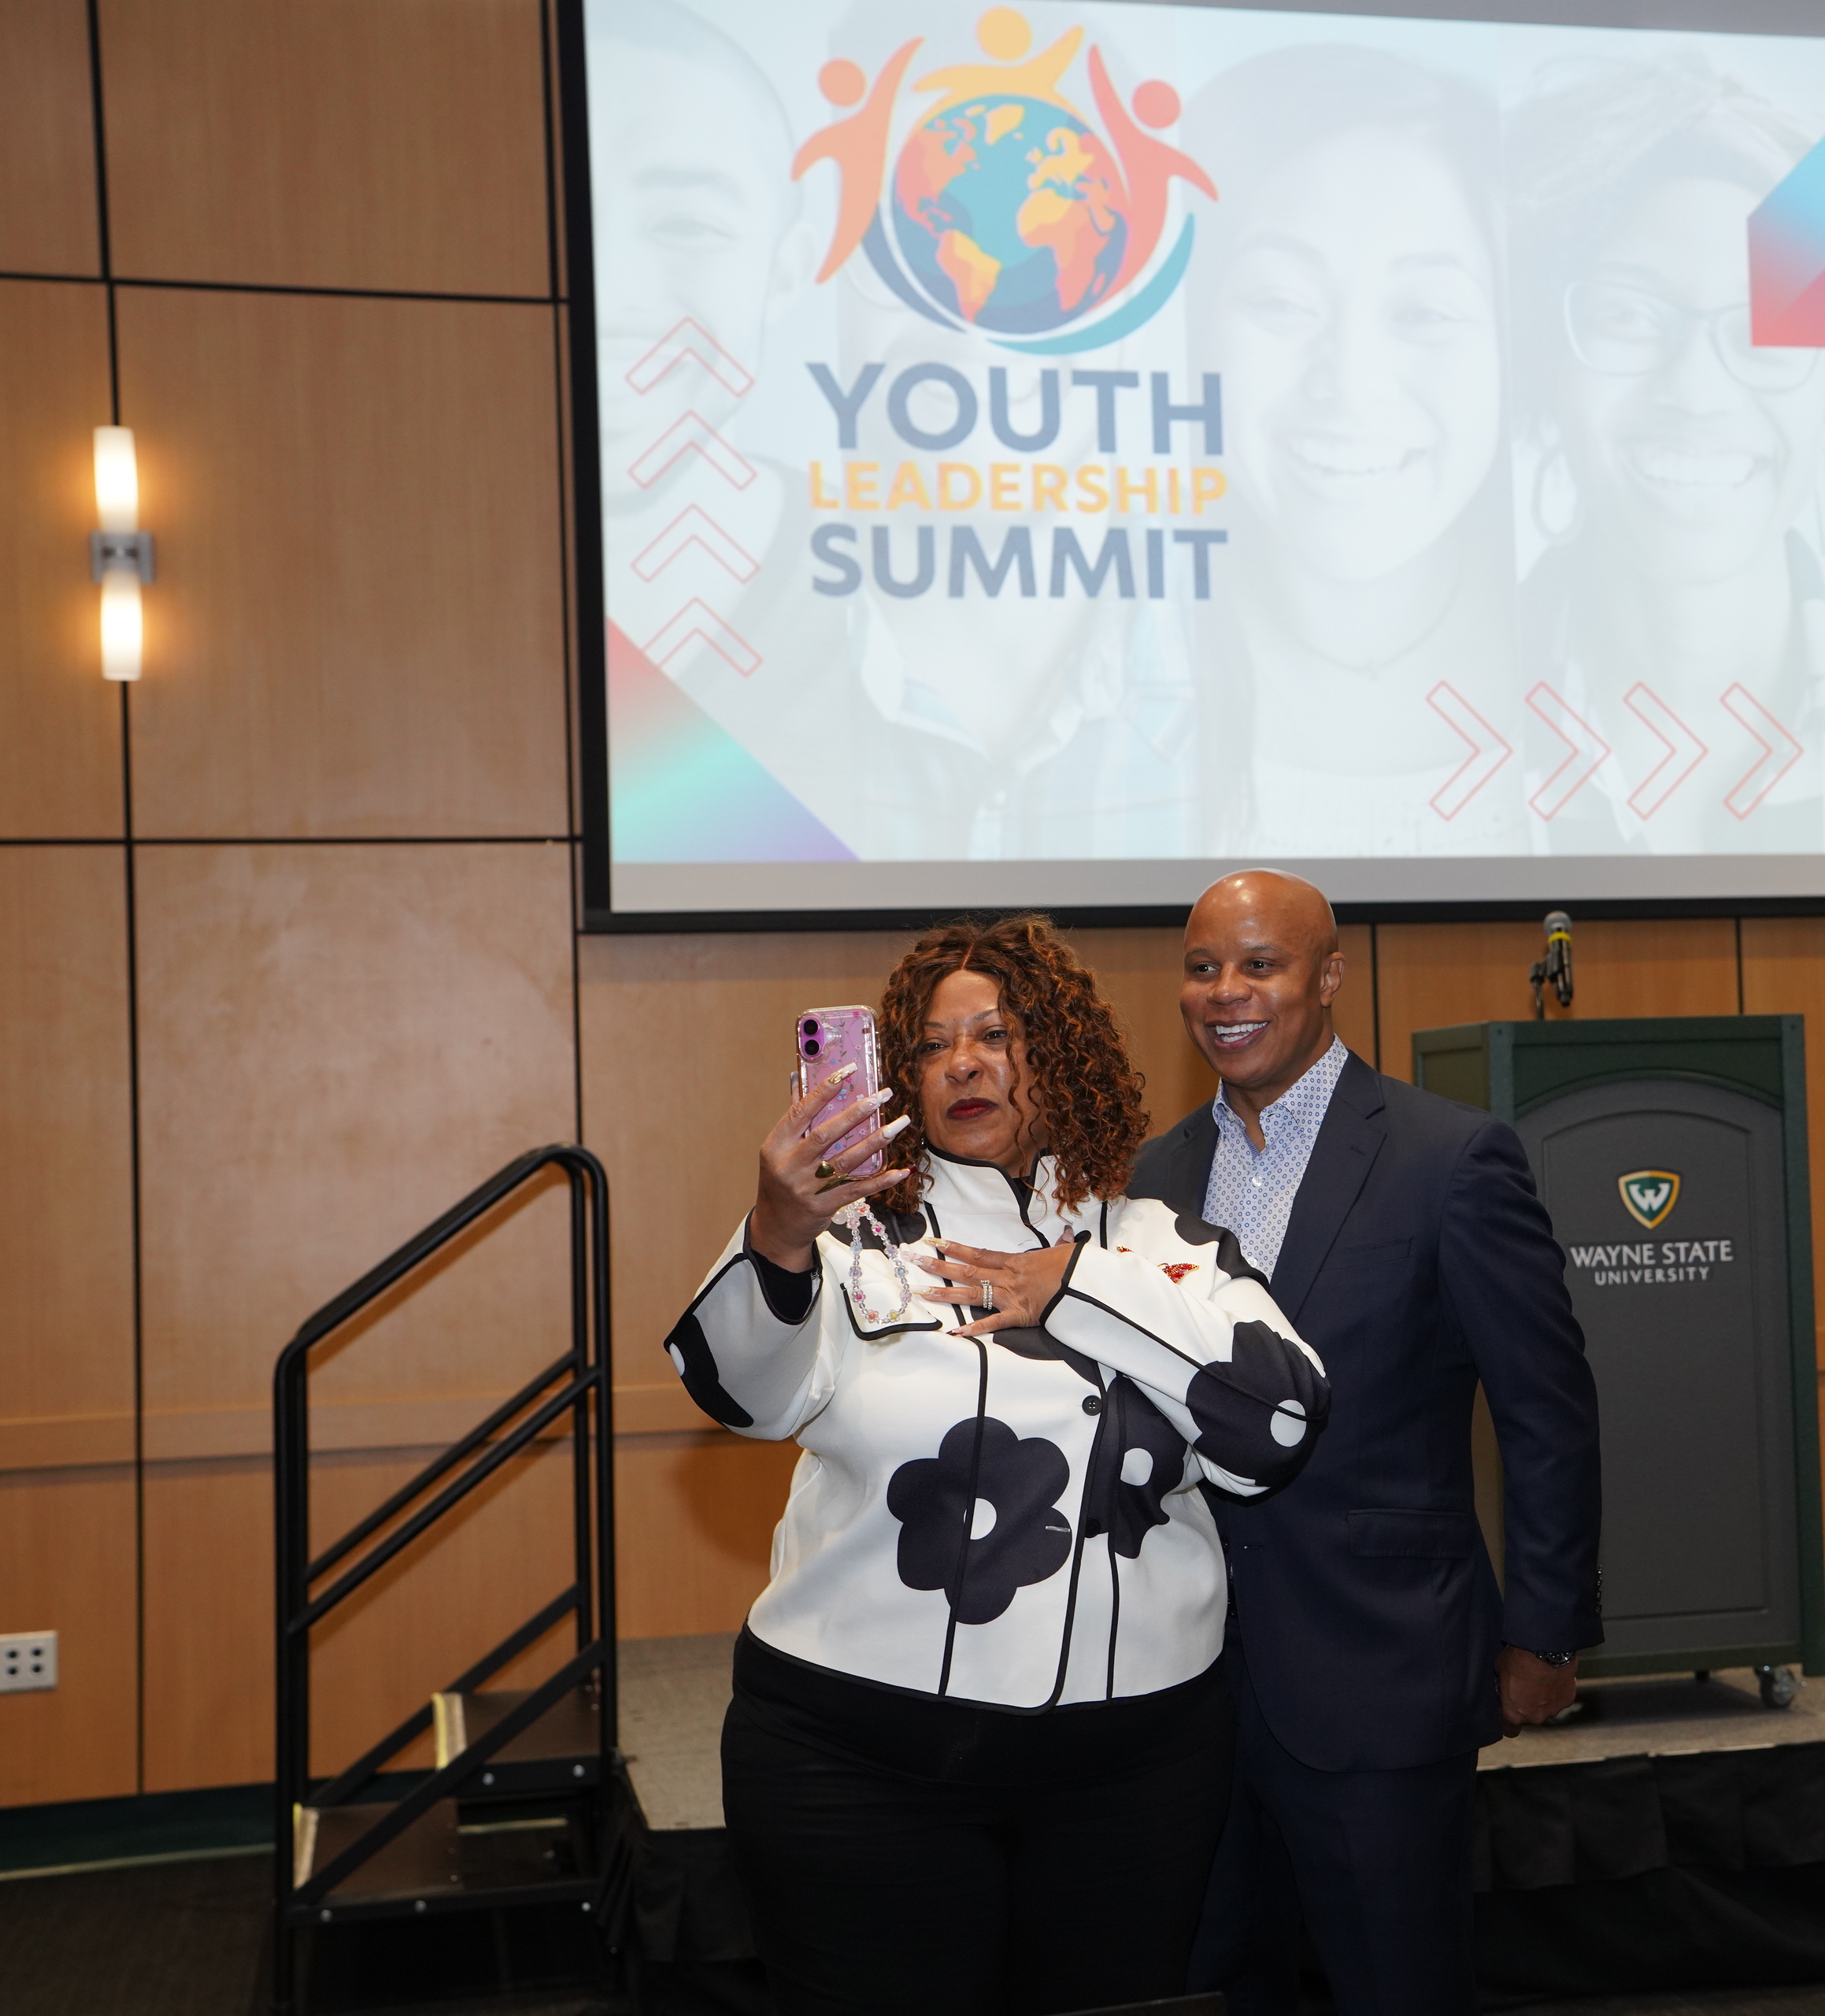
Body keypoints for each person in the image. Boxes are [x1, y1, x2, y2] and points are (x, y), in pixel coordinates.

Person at [660, 914, 1330, 2014]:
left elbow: (1282, 1428)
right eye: (931, 1047)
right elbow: (736, 1390)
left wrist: (1074, 1287)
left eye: (997, 1034)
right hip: (855, 1763)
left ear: (1063, 1055)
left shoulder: (1167, 1247)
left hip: (1133, 1776)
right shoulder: (849, 1243)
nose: (962, 1063)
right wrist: (776, 1231)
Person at [1134, 871, 1601, 2014]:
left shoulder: (1452, 1158)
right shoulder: (1152, 1178)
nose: (1226, 991)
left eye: (1260, 964)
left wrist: (1545, 1631)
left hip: (1380, 1672)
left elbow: (1546, 1409)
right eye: (1203, 968)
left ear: (1330, 976)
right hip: (1185, 1686)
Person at [1508, 59, 1825, 855]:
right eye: (1630, 316)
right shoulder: (1435, 726)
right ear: (1550, 366)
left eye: (1767, 326)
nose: (1696, 392)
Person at [1182, 48, 1521, 859]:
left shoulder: (1589, 647)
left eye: (1424, 313)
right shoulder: (1112, 675)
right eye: (1280, 300)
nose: (1352, 383)